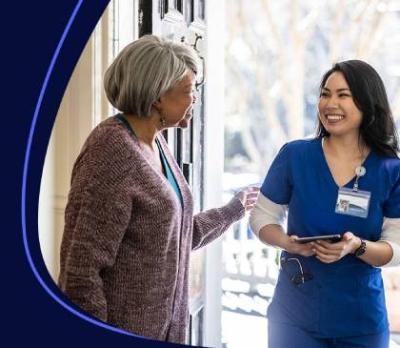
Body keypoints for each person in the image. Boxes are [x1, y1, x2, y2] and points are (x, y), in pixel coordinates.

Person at [58, 35, 259, 344]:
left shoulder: (156, 143)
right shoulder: (111, 150)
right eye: (189, 91)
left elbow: (176, 237)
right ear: (157, 97)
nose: (195, 100)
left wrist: (234, 209)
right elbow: (81, 270)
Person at [250, 60, 400, 348]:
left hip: (361, 320)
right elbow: (262, 217)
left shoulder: (390, 169)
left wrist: (357, 246)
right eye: (324, 93)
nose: (330, 103)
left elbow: (396, 248)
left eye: (343, 95)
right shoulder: (295, 156)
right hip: (294, 317)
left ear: (367, 102)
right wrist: (287, 242)